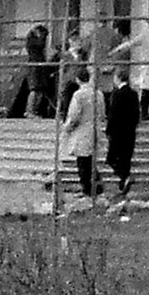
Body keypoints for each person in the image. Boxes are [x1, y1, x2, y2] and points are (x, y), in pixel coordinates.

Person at [60, 66, 100, 204]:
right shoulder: (98, 93)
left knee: (82, 162)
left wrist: (67, 127)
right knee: (91, 160)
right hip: (95, 129)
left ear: (78, 79)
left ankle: (87, 189)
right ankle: (96, 186)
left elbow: (74, 115)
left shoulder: (79, 95)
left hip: (82, 131)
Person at [102, 68, 141, 205]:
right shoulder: (134, 94)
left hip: (118, 132)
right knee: (126, 158)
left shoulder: (117, 94)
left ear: (118, 78)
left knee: (111, 158)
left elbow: (113, 114)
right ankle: (123, 182)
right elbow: (136, 114)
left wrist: (109, 130)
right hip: (129, 131)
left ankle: (124, 177)